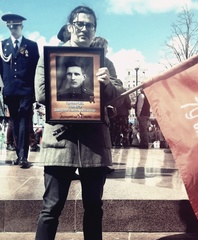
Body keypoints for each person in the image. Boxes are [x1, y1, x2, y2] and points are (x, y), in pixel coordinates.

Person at [34, 6, 124, 240]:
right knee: (51, 208)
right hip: (60, 141)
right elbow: (41, 94)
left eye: (90, 25)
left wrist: (105, 83)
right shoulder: (50, 57)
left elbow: (118, 96)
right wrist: (59, 82)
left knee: (94, 208)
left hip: (93, 143)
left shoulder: (105, 62)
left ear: (95, 30)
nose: (84, 28)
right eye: (80, 24)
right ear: (71, 26)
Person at [0, 14, 39, 168]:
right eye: (9, 26)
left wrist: (36, 91)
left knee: (24, 121)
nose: (12, 29)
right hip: (10, 91)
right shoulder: (2, 46)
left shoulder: (31, 45)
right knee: (15, 123)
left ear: (21, 27)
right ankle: (19, 154)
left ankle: (23, 156)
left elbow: (37, 69)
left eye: (15, 26)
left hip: (27, 91)